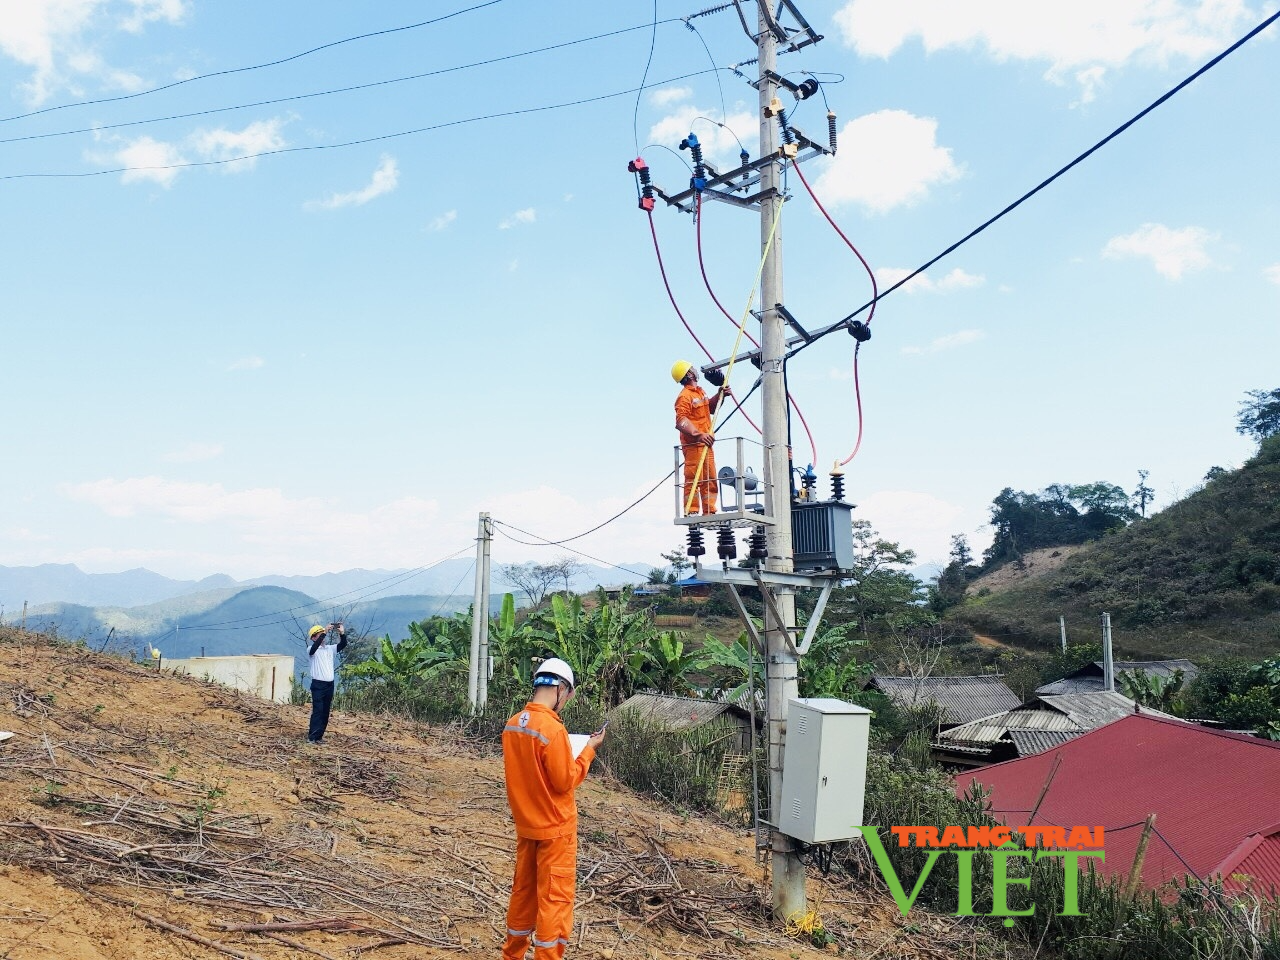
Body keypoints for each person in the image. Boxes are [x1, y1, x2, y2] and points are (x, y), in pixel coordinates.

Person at [502, 657, 606, 960]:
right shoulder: (552, 729)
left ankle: (512, 955)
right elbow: (565, 781)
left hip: (527, 826)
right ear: (562, 690)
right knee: (554, 901)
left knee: (524, 895)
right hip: (555, 831)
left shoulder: (513, 725)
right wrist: (588, 750)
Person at [672, 360, 731, 515]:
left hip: (706, 444)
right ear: (689, 374)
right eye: (692, 369)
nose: (695, 370)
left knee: (710, 479)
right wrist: (699, 435)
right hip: (694, 446)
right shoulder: (684, 396)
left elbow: (709, 409)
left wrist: (720, 395)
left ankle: (709, 510)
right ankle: (691, 511)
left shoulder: (700, 392)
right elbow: (681, 421)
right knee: (694, 479)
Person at [306, 623, 346, 744]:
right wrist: (325, 632)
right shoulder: (311, 650)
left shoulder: (329, 649)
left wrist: (342, 633)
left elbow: (343, 645)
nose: (323, 637)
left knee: (325, 711)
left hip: (329, 685)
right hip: (318, 685)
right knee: (318, 710)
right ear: (314, 638)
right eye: (319, 635)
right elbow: (314, 649)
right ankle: (312, 737)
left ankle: (319, 736)